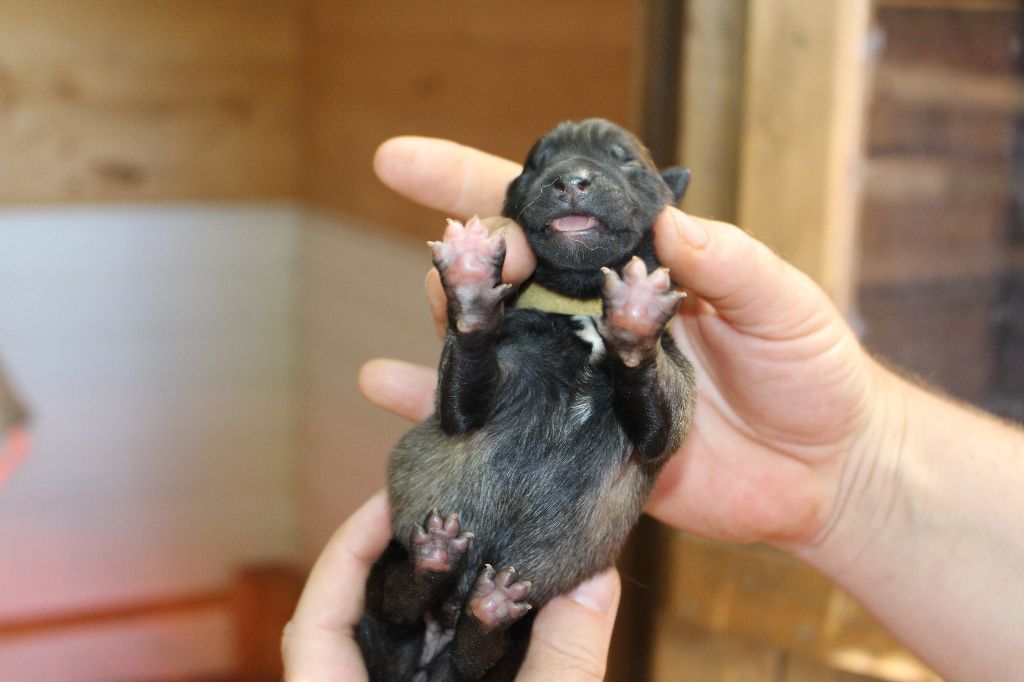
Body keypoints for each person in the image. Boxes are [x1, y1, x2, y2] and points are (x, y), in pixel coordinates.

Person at [282, 137, 1024, 682]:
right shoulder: (527, 324)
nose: (573, 178)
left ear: (667, 199)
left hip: (507, 586)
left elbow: (658, 432)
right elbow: (462, 406)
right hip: (441, 561)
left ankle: (471, 612)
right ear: (514, 208)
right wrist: (475, 326)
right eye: (544, 168)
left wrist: (637, 349)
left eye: (619, 166)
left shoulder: (672, 351)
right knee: (394, 611)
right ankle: (451, 588)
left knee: (477, 652)